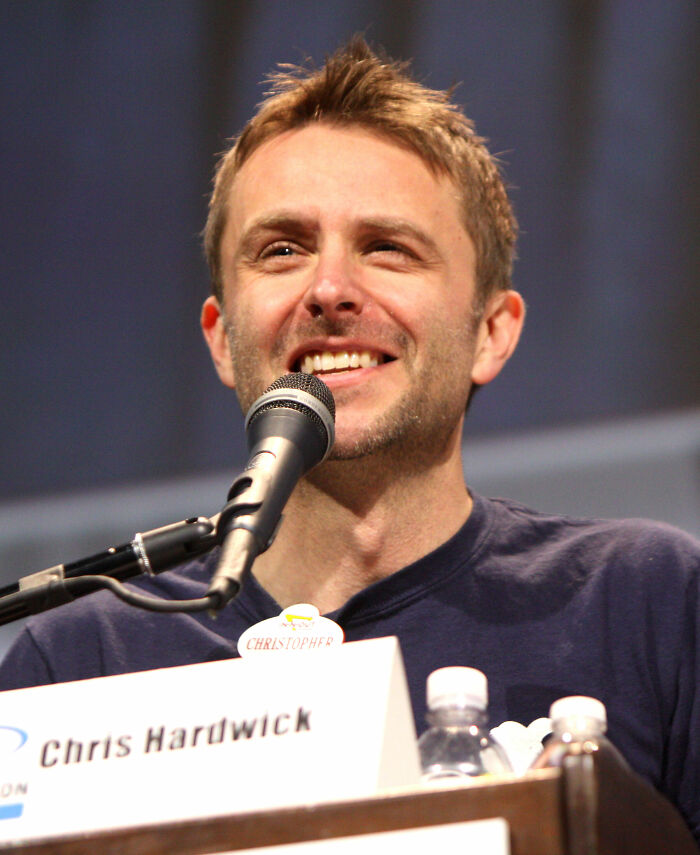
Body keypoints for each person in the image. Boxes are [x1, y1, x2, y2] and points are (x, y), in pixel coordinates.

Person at [1, 37, 699, 842]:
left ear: (492, 332)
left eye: (387, 248)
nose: (330, 289)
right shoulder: (79, 664)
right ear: (222, 337)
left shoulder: (647, 602)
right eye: (283, 249)